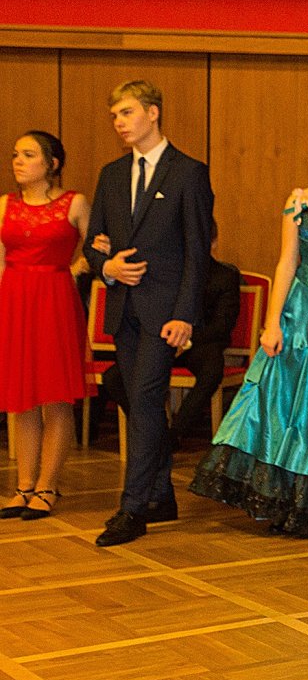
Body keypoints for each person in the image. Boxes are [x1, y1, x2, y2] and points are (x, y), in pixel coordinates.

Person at [190, 123, 308, 536]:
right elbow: (287, 260)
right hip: (303, 313)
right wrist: (272, 322)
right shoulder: (299, 200)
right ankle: (293, 500)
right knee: (293, 406)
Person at [83, 81, 215, 547]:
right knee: (137, 396)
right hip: (124, 309)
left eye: (126, 112)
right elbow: (93, 242)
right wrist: (108, 267)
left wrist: (185, 315)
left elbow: (198, 251)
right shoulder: (112, 174)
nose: (119, 122)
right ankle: (160, 494)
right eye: (114, 115)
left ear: (153, 113)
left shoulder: (188, 173)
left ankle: (133, 507)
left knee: (142, 398)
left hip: (165, 313)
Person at [0, 131, 89, 521]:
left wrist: (73, 270)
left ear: (52, 163)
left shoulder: (75, 203)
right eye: (15, 154)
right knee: (21, 399)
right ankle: (23, 487)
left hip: (54, 300)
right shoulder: (4, 204)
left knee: (55, 396)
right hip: (14, 300)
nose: (18, 161)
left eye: (28, 154)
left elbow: (96, 246)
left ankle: (47, 486)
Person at [101, 227, 240, 446]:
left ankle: (174, 435)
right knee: (113, 377)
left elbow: (222, 326)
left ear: (213, 243)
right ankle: (153, 429)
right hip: (163, 342)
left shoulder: (225, 276)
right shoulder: (168, 272)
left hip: (200, 344)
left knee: (212, 370)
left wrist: (185, 339)